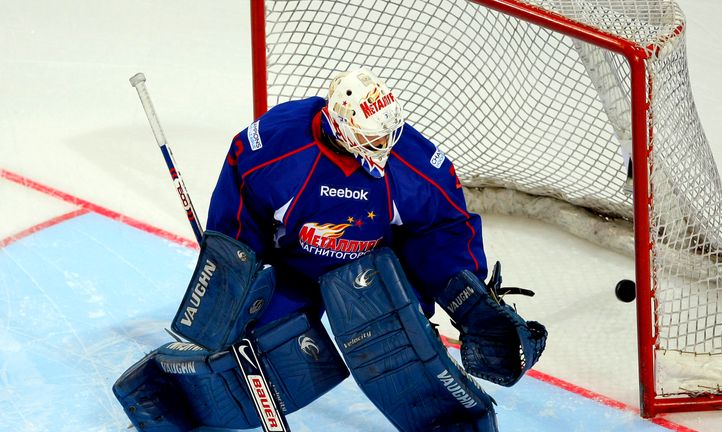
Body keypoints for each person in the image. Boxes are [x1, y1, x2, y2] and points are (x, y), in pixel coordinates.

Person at [112, 68, 547, 432]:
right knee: (254, 358)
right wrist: (235, 272)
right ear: (340, 125)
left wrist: (466, 296)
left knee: (400, 346)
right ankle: (168, 396)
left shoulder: (411, 161)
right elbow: (241, 208)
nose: (386, 146)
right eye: (373, 140)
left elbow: (442, 226)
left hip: (372, 277)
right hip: (290, 269)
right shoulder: (278, 147)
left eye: (389, 134)